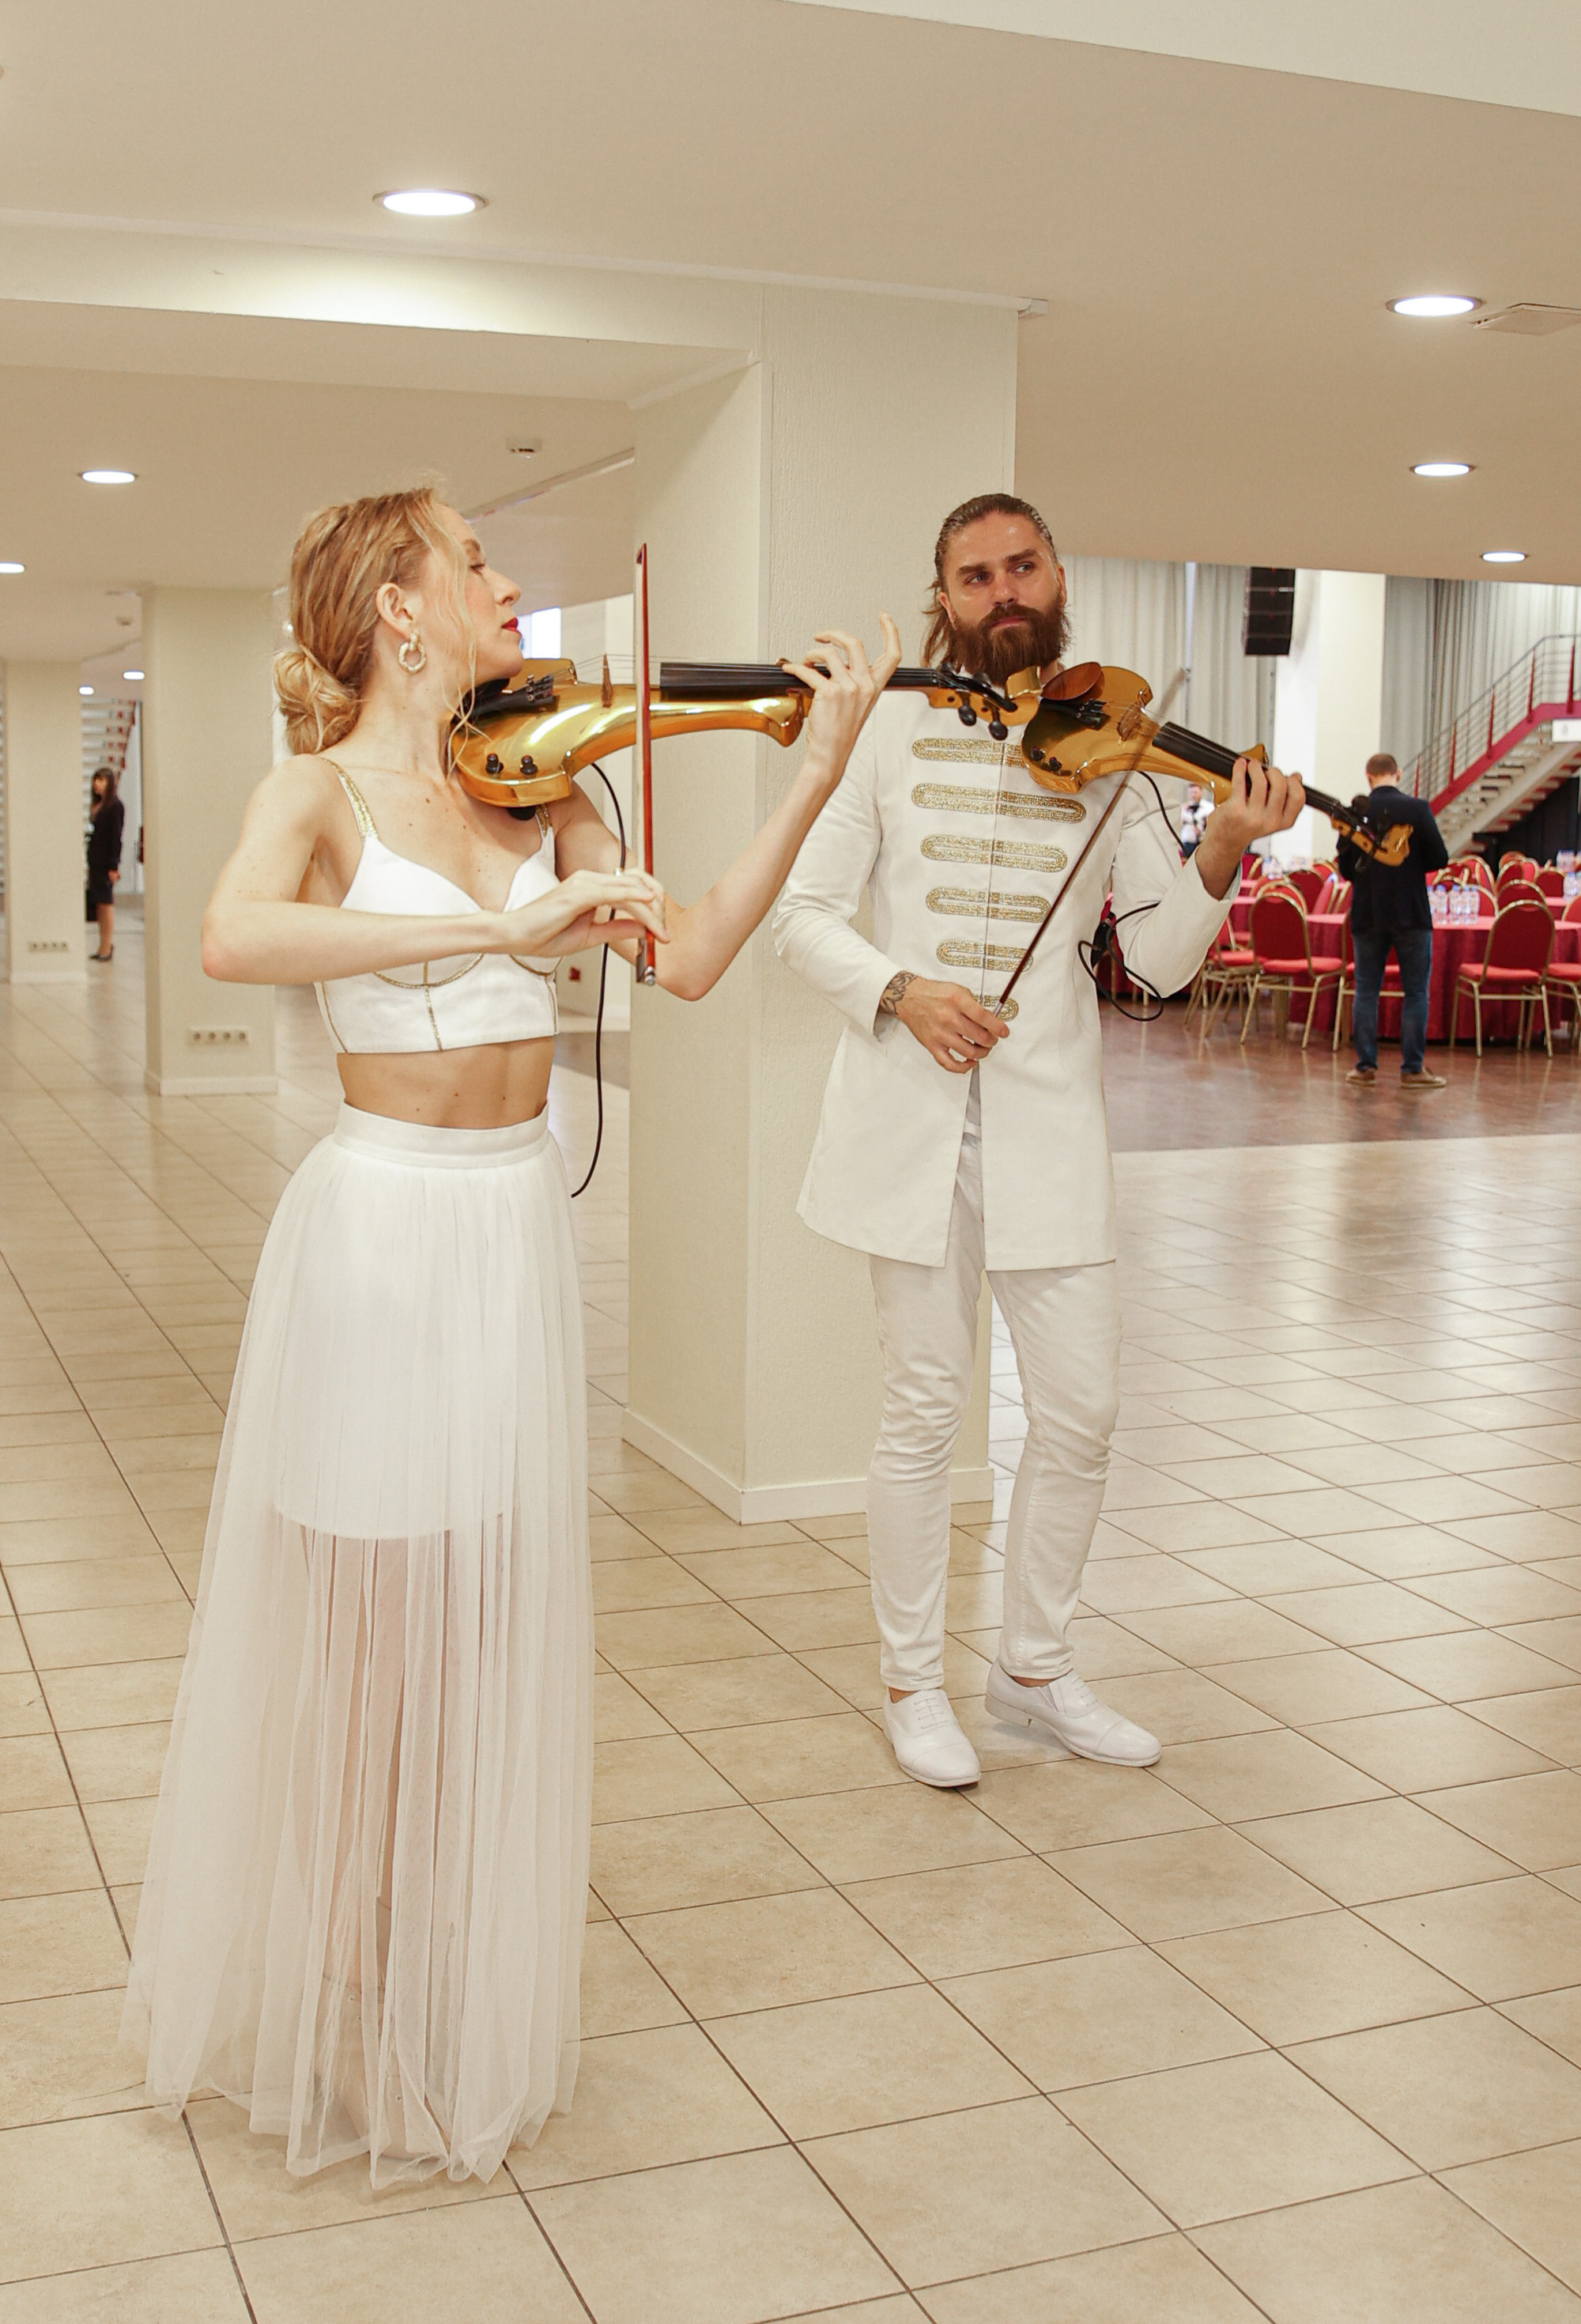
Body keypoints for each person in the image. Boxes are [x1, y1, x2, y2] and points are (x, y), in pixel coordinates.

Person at [123, 485, 900, 2186]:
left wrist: (817, 771)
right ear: (397, 611)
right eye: (471, 558)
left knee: (471, 1635)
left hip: (506, 1240)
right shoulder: (317, 791)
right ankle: (356, 2011)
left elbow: (686, 957)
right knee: (368, 1662)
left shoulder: (539, 780)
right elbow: (234, 934)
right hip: (385, 1232)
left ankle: (425, 2008)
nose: (503, 580)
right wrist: (496, 926)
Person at [774, 493, 1302, 1789]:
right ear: (945, 595)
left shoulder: (1111, 747)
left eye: (1023, 567)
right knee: (921, 1411)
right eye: (975, 575)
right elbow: (801, 914)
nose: (1003, 592)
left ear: (1056, 577)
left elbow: (1163, 965)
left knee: (1083, 1410)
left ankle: (1032, 1668)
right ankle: (911, 1682)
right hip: (912, 1118)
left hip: (1050, 1124)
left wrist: (1224, 845)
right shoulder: (891, 724)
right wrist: (903, 992)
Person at [1338, 750, 1448, 1090]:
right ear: (1398, 774)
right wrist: (1409, 867)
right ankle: (1412, 1069)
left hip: (1368, 912)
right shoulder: (1417, 809)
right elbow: (1440, 857)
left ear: (1368, 776)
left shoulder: (1356, 812)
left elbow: (1344, 867)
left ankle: (1365, 1066)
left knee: (1366, 991)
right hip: (1411, 912)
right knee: (1416, 991)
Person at [86, 765, 124, 959]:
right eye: (95, 780)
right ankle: (103, 943)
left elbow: (115, 838)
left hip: (106, 862)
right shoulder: (99, 805)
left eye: (101, 780)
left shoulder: (115, 806)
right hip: (96, 861)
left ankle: (107, 945)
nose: (97, 785)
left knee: (106, 903)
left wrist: (113, 865)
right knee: (99, 904)